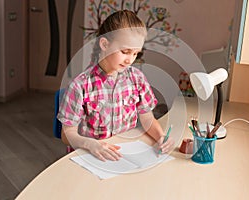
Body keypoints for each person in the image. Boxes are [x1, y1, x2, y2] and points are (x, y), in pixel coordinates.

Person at [57, 10, 174, 161]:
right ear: (105, 44)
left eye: (135, 54)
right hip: (92, 156)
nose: (130, 60)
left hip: (124, 155)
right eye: (125, 51)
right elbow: (67, 135)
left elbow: (147, 119)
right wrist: (90, 144)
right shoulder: (80, 85)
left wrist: (161, 137)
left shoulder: (137, 79)